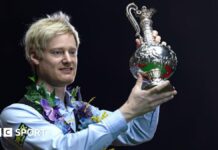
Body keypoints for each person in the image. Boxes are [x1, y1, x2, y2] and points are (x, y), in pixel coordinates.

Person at [0, 11, 177, 150]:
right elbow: (61, 147)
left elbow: (139, 131)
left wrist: (148, 71)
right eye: (57, 52)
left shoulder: (83, 111)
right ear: (35, 56)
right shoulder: (12, 120)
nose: (68, 59)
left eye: (73, 51)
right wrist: (127, 111)